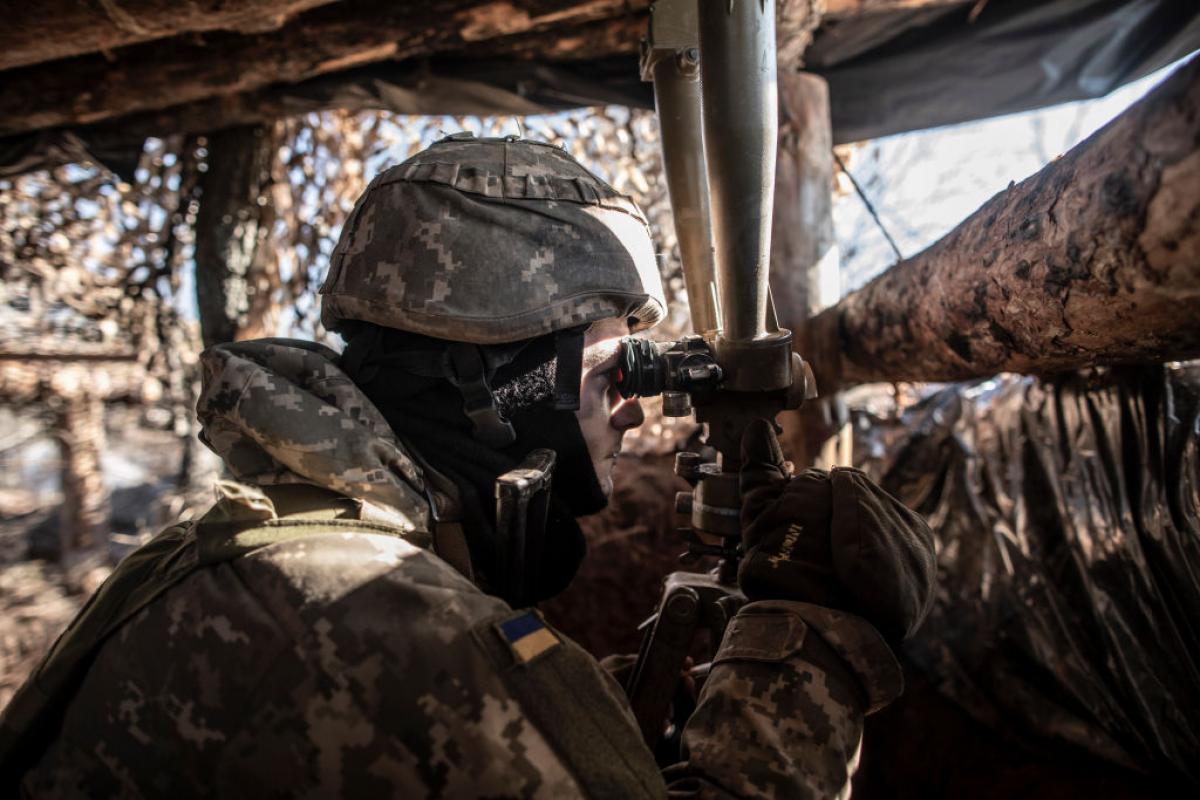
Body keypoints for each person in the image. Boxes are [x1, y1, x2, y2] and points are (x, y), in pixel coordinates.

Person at [0, 135, 936, 798]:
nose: (638, 406)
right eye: (616, 367)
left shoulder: (247, 553)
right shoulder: (383, 622)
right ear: (503, 381)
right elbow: (418, 689)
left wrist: (612, 704)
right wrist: (807, 655)